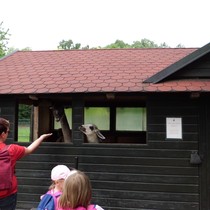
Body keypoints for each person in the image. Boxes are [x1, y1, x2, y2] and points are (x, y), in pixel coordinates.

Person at [0, 117, 52, 210]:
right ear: (3, 134)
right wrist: (41, 137)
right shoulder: (11, 150)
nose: (8, 134)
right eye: (8, 132)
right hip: (7, 195)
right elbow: (30, 149)